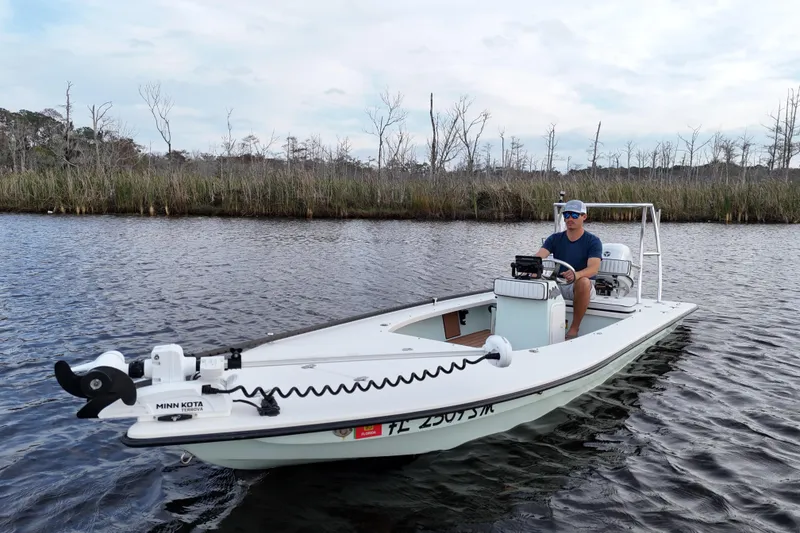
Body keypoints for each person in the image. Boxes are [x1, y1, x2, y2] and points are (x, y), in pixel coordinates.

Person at [534, 199, 602, 339]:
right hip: (558, 284)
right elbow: (540, 256)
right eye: (566, 215)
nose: (569, 219)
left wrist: (576, 275)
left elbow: (594, 269)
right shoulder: (554, 238)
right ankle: (534, 326)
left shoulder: (593, 241)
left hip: (582, 287)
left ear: (584, 217)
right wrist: (528, 266)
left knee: (583, 282)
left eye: (574, 215)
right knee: (533, 278)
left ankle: (574, 329)